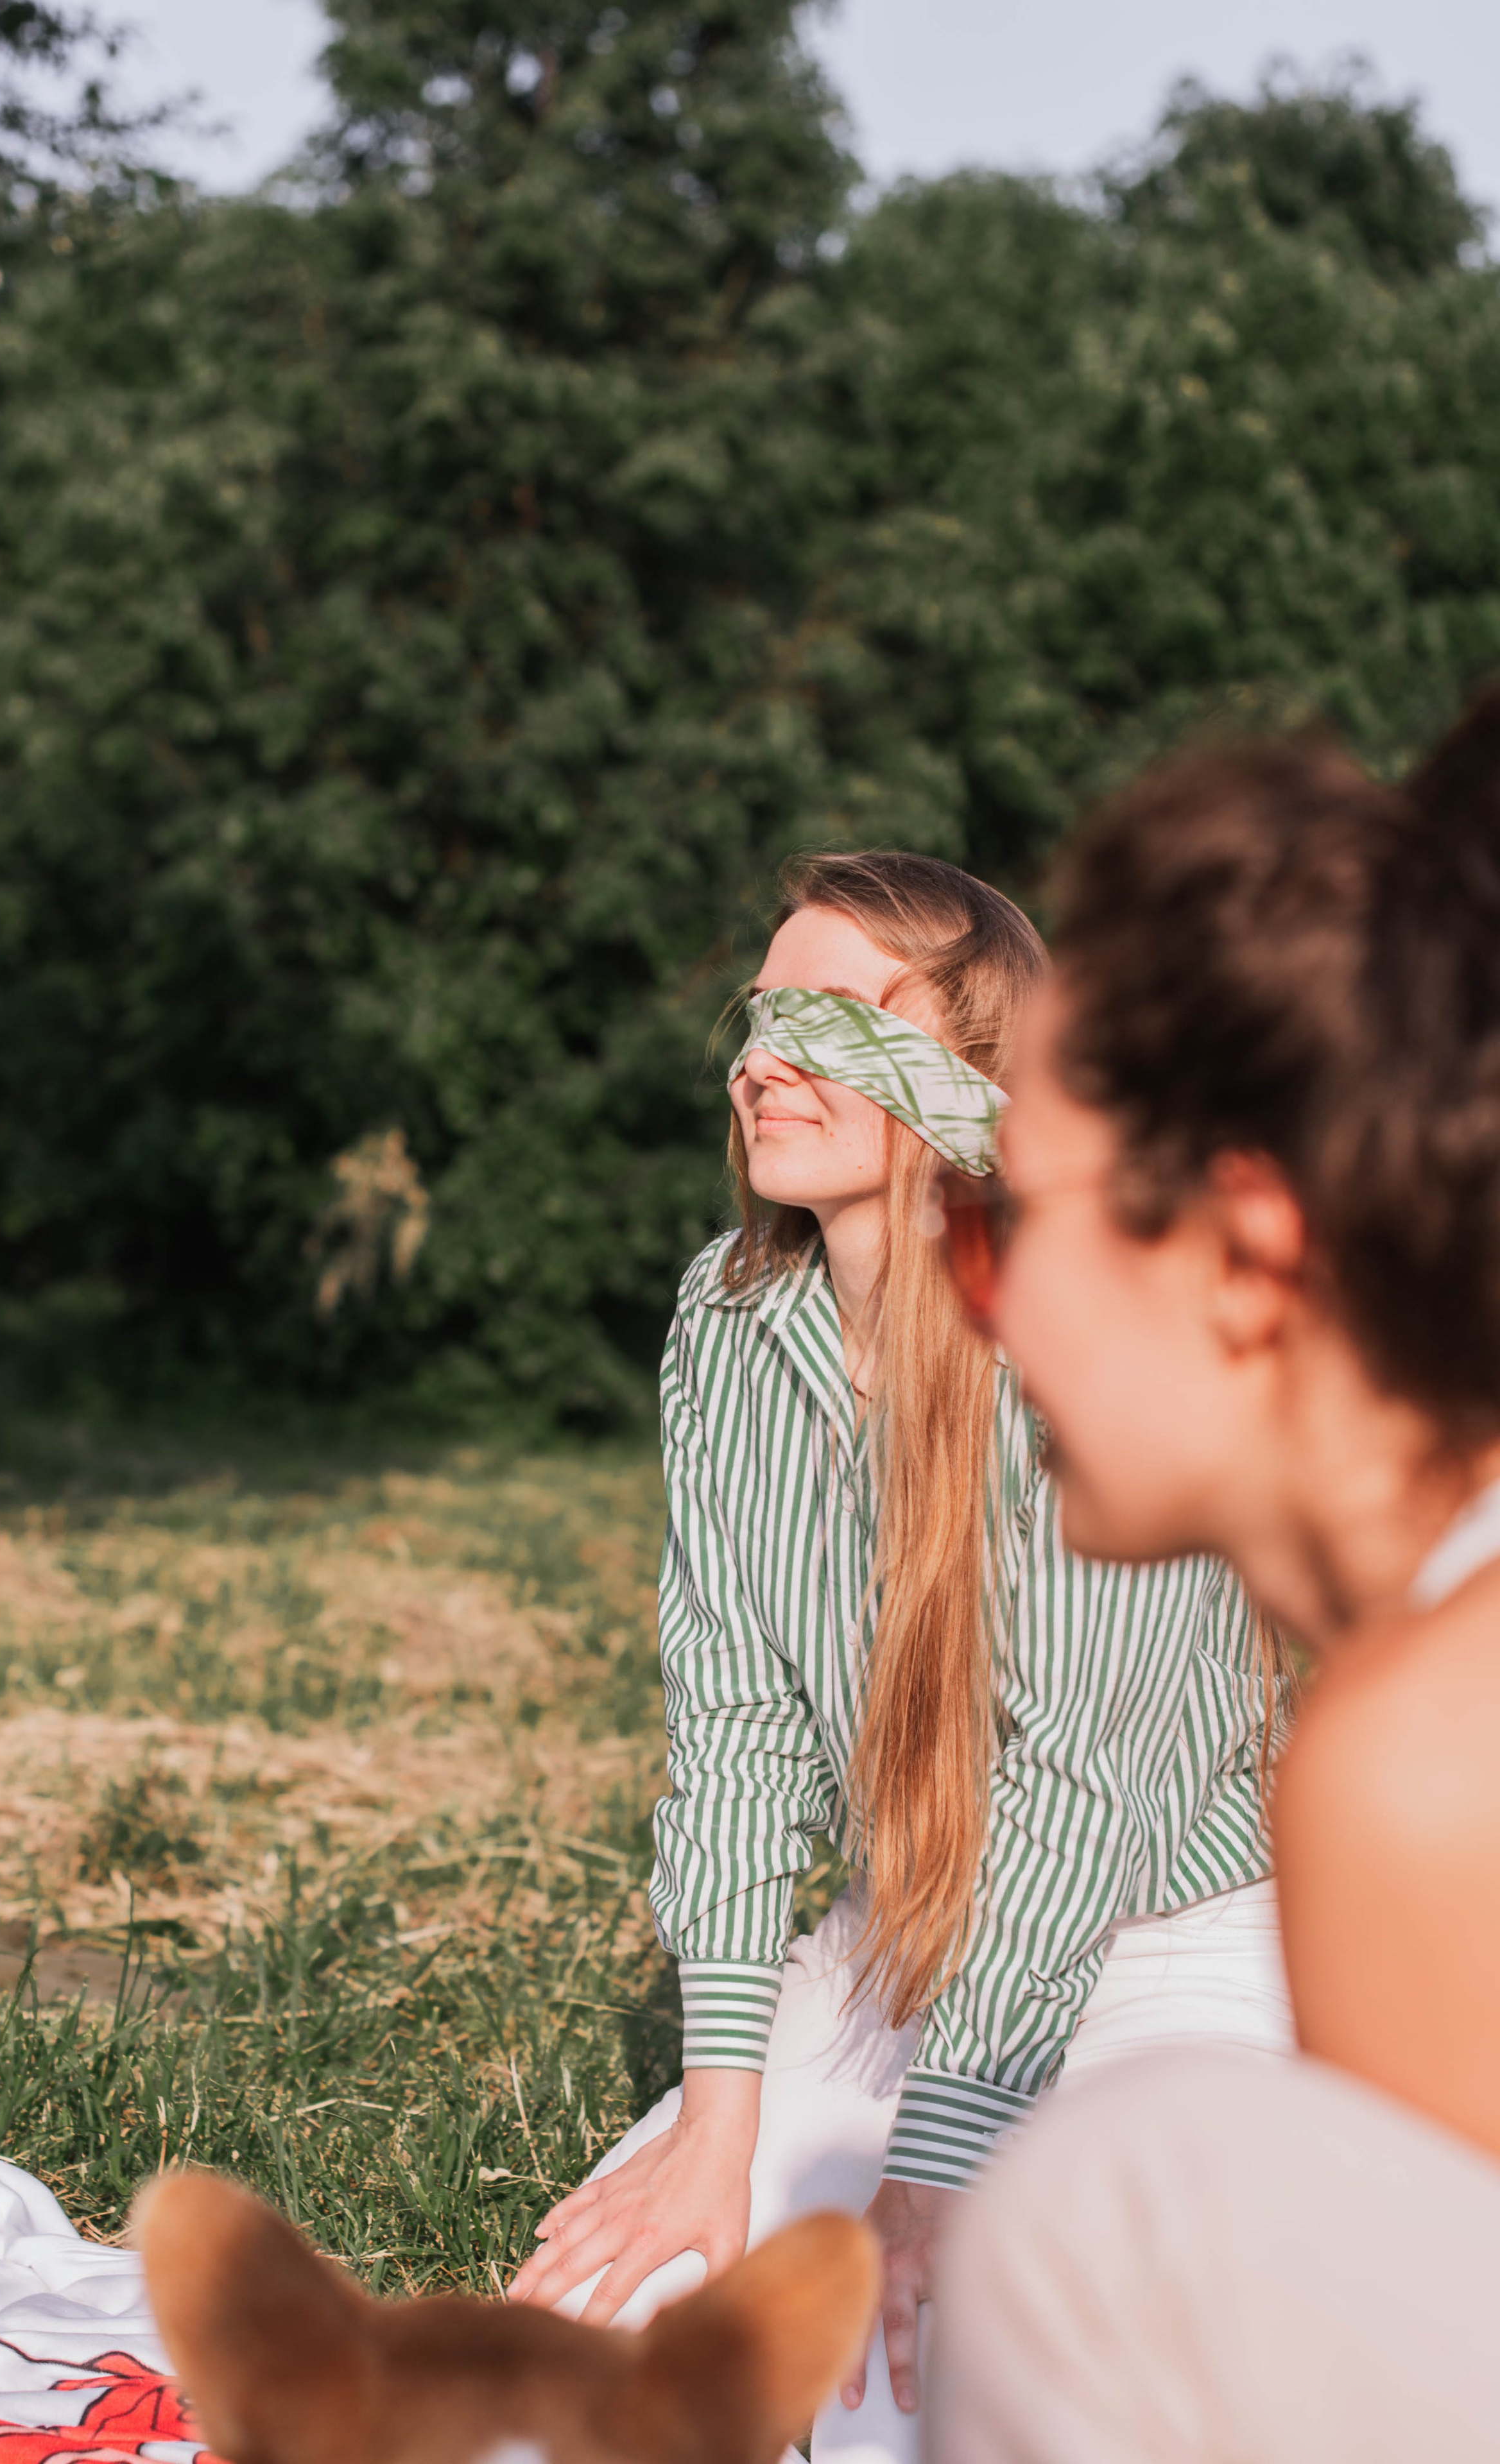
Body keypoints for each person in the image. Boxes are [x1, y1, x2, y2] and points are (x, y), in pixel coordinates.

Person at [508, 851, 1292, 2464]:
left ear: (978, 1091)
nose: (759, 1061)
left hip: (1173, 1939)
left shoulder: (1093, 1353)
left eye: (838, 1017)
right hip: (910, 1933)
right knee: (611, 2346)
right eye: (758, 1012)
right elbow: (730, 1725)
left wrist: (929, 2179)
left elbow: (1082, 1790)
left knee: (944, 2391)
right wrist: (716, 2128)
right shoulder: (728, 1324)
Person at [932, 683, 1500, 2464]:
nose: (983, 1309)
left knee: (1122, 2199)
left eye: (1003, 1218)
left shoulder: (1424, 1764)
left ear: (1247, 1254)